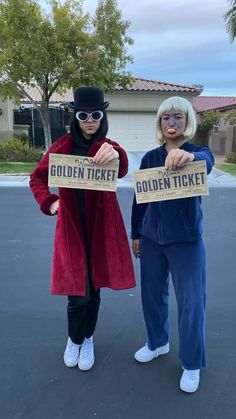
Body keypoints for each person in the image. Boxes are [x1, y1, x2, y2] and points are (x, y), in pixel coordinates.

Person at [30, 86, 135, 371]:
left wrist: (114, 151)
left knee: (95, 289)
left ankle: (88, 338)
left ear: (102, 116)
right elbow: (36, 179)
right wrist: (50, 203)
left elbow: (123, 167)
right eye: (84, 114)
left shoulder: (108, 147)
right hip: (72, 231)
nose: (90, 120)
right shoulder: (60, 147)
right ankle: (74, 339)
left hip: (101, 230)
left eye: (95, 114)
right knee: (78, 294)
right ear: (75, 116)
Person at [131, 96, 214, 393]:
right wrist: (136, 234)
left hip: (186, 242)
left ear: (187, 121)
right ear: (160, 122)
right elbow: (140, 198)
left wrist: (189, 158)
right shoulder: (150, 157)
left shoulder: (197, 152)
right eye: (167, 118)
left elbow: (207, 161)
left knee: (192, 303)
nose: (172, 122)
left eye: (178, 117)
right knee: (152, 296)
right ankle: (157, 342)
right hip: (152, 239)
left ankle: (192, 363)